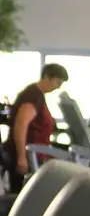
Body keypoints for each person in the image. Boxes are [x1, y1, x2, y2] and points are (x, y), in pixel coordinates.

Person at [7, 62, 68, 190]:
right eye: (57, 82)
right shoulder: (33, 95)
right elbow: (21, 125)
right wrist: (22, 157)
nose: (58, 87)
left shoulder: (38, 95)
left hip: (33, 155)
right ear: (46, 77)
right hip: (25, 154)